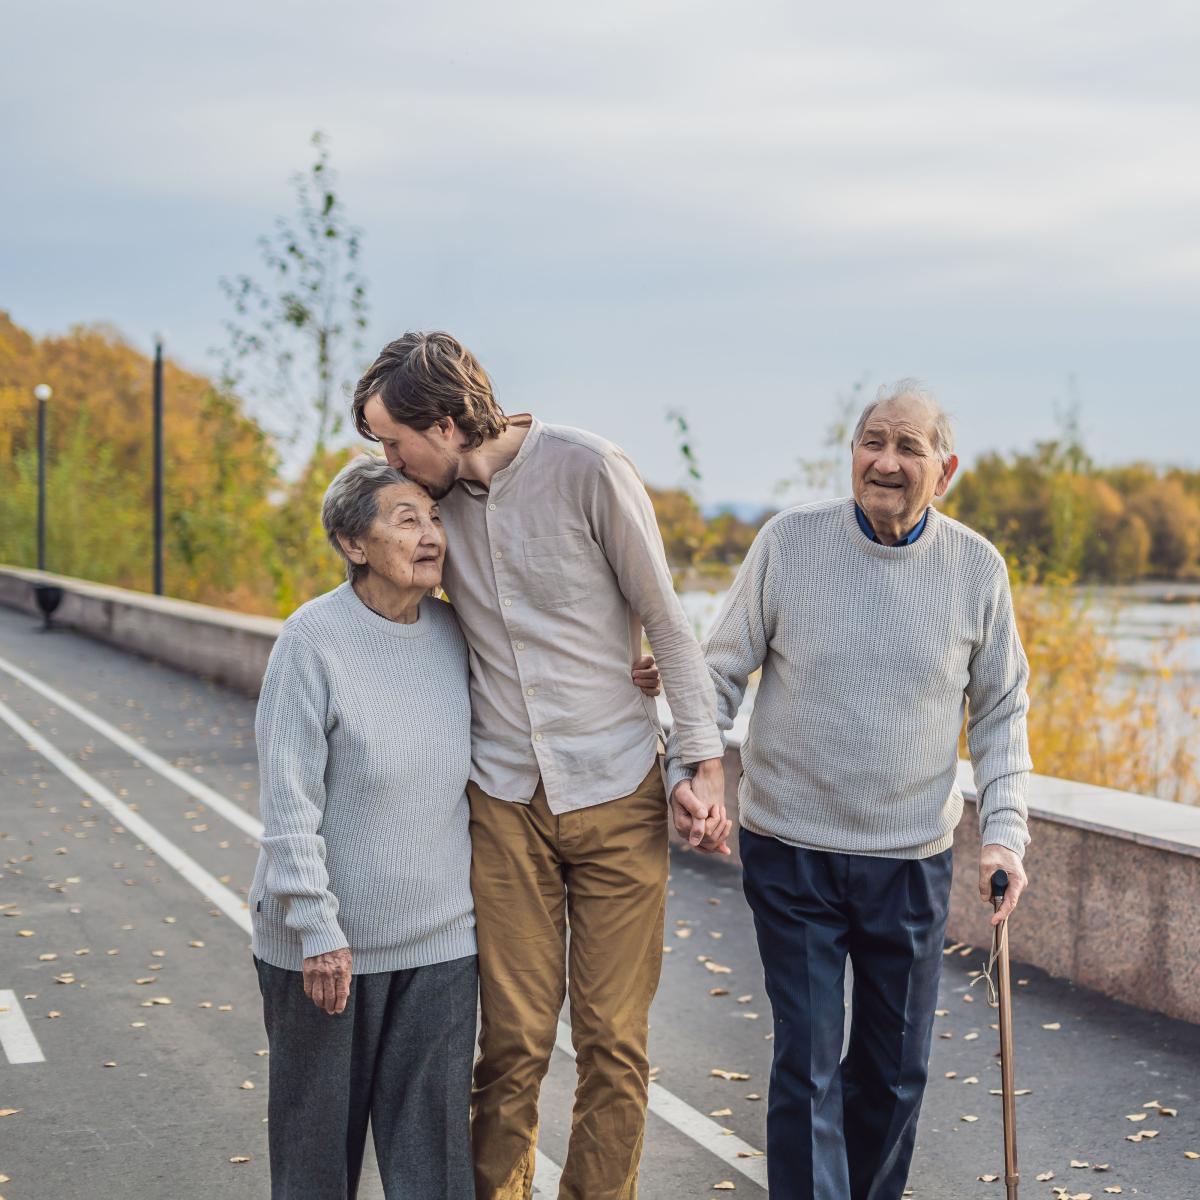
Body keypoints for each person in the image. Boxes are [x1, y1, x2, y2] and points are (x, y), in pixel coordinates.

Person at [352, 331, 728, 1200]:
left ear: (444, 423)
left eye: (394, 439)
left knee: (612, 1043)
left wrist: (703, 767)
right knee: (513, 1042)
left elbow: (668, 623)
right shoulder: (435, 508)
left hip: (617, 789)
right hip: (506, 802)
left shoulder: (590, 469)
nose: (388, 459)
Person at [667, 381, 1033, 1200]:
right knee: (805, 1065)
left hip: (909, 858)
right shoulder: (790, 544)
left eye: (909, 448)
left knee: (894, 1071)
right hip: (791, 849)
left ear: (947, 469)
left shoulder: (976, 569)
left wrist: (1003, 833)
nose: (887, 462)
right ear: (853, 451)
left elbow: (1003, 713)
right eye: (874, 441)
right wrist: (692, 767)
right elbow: (718, 670)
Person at [249, 456, 478, 1199]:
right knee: (317, 1168)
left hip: (442, 947)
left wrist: (638, 672)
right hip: (328, 954)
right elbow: (288, 805)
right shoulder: (311, 643)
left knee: (434, 1170)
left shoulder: (455, 634)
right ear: (353, 543)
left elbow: (544, 686)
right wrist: (317, 929)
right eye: (405, 519)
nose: (430, 534)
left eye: (434, 518)